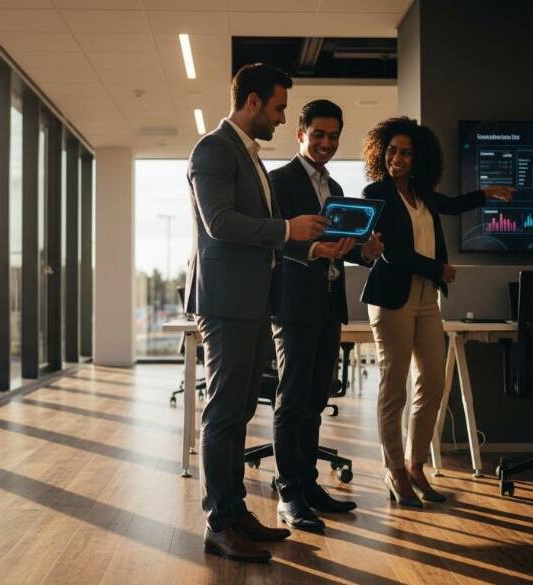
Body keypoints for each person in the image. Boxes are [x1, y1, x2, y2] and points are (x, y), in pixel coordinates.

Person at [184, 63, 329, 562]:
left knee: (242, 408)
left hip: (252, 300)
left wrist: (308, 247)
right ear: (251, 102)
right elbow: (221, 223)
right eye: (278, 107)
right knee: (224, 412)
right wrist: (289, 229)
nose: (280, 116)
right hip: (225, 301)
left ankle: (236, 510)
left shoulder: (251, 158)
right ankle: (219, 523)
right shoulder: (213, 149)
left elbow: (264, 233)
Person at [360, 117, 513, 507]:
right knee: (393, 387)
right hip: (392, 297)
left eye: (405, 153)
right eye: (391, 151)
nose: (396, 158)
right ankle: (394, 471)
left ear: (417, 158)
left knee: (432, 382)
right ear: (382, 153)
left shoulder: (422, 194)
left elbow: (452, 204)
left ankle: (416, 466)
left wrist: (486, 193)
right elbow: (393, 251)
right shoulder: (375, 192)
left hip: (428, 298)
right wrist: (439, 269)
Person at [268, 100, 384, 531]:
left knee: (317, 397)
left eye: (333, 137)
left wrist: (367, 253)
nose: (326, 143)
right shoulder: (278, 182)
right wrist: (313, 249)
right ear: (300, 134)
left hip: (330, 301)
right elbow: (271, 239)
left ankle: (309, 483)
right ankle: (288, 491)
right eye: (317, 134)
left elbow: (343, 249)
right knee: (293, 397)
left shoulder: (336, 191)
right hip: (294, 302)